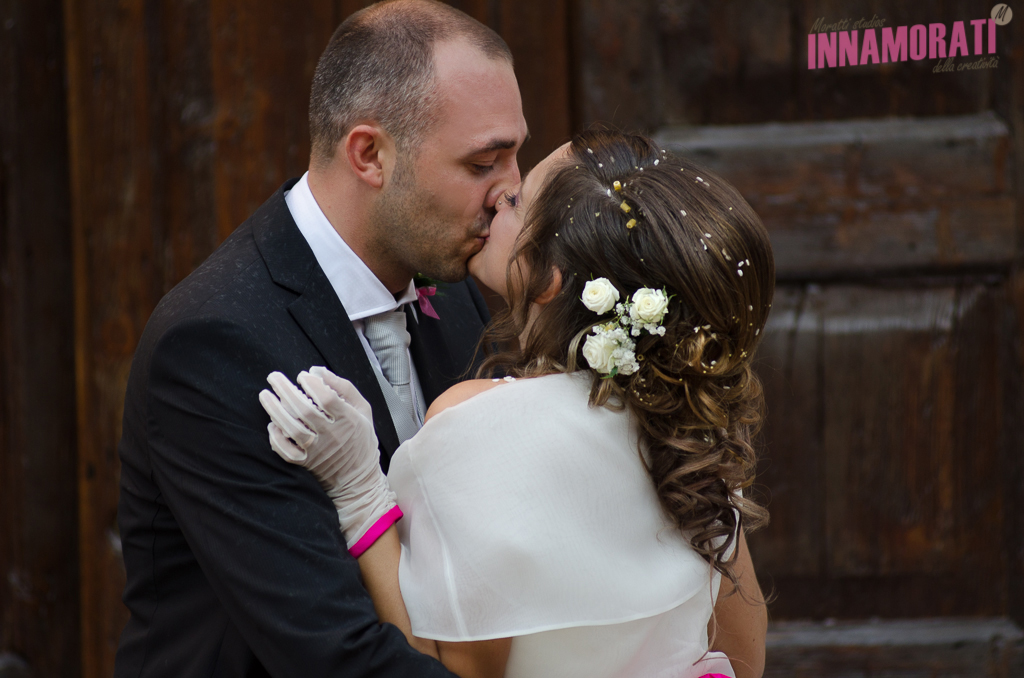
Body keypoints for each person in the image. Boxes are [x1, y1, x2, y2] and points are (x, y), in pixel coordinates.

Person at [262, 129, 774, 678]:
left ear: (550, 279)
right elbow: (745, 658)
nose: (496, 195)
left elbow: (451, 670)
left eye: (516, 200)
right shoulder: (687, 431)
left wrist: (360, 494)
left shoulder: (479, 426)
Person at [114, 1, 527, 676]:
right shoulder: (215, 343)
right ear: (369, 155)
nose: (510, 193)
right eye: (484, 163)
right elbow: (336, 655)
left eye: (515, 156)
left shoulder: (456, 289)